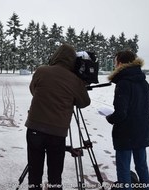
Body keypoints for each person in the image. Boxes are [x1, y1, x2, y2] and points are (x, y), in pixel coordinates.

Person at [25, 44, 91, 189]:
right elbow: (84, 102)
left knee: (34, 169)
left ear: (56, 56)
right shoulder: (74, 79)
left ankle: (34, 186)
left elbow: (33, 90)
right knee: (55, 172)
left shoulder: (41, 70)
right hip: (57, 132)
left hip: (34, 127)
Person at [106, 50, 149, 190]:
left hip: (126, 133)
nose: (115, 66)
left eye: (115, 62)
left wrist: (109, 117)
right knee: (142, 166)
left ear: (120, 63)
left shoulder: (123, 83)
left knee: (123, 169)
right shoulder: (143, 82)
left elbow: (121, 113)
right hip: (142, 131)